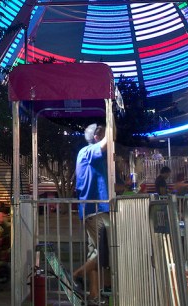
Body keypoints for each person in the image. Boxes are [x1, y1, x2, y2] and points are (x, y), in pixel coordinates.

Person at [72, 124, 111, 300]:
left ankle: (94, 293)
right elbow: (108, 141)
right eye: (102, 133)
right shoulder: (88, 151)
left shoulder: (93, 155)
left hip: (95, 210)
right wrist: (112, 121)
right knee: (107, 250)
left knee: (95, 252)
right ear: (96, 137)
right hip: (96, 211)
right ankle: (78, 273)